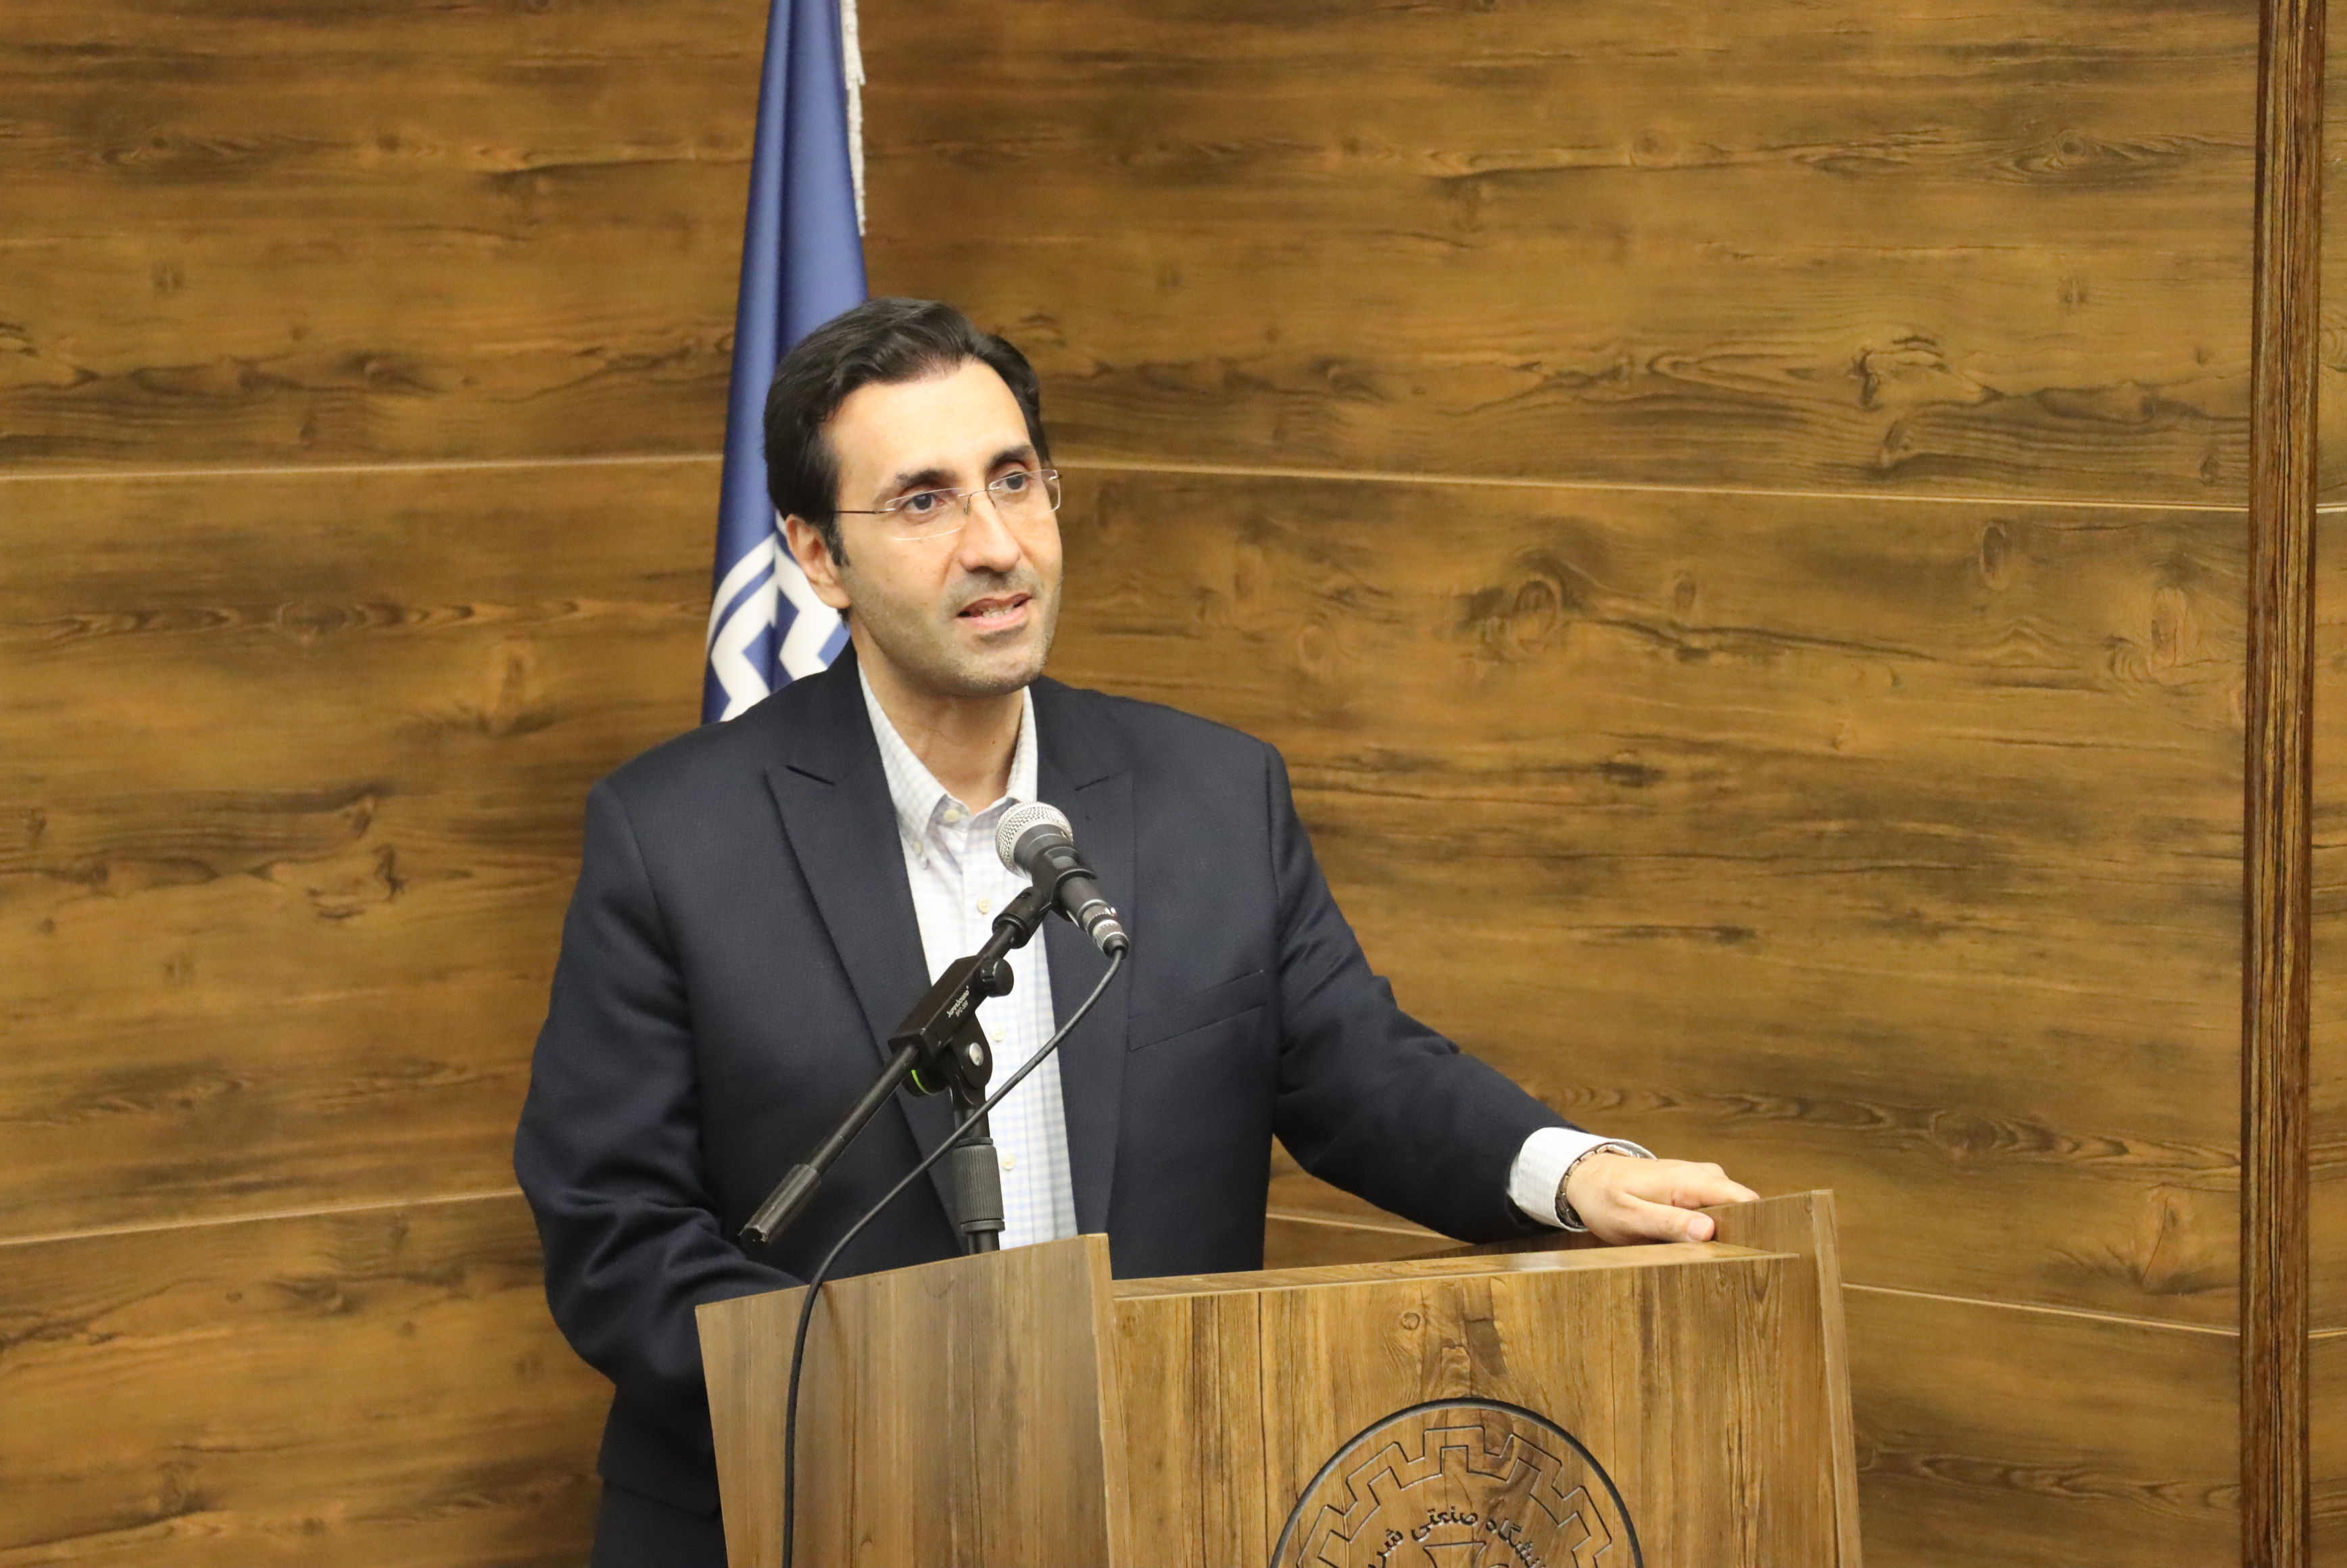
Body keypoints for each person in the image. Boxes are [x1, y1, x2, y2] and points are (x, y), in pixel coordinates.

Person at [514, 297, 1757, 1568]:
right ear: (819, 556)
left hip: (1159, 1507)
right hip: (809, 1516)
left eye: (1014, 480)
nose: (996, 545)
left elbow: (1362, 1070)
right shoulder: (676, 837)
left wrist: (1569, 1175)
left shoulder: (1212, 793)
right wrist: (895, 1406)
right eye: (925, 502)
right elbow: (615, 1226)